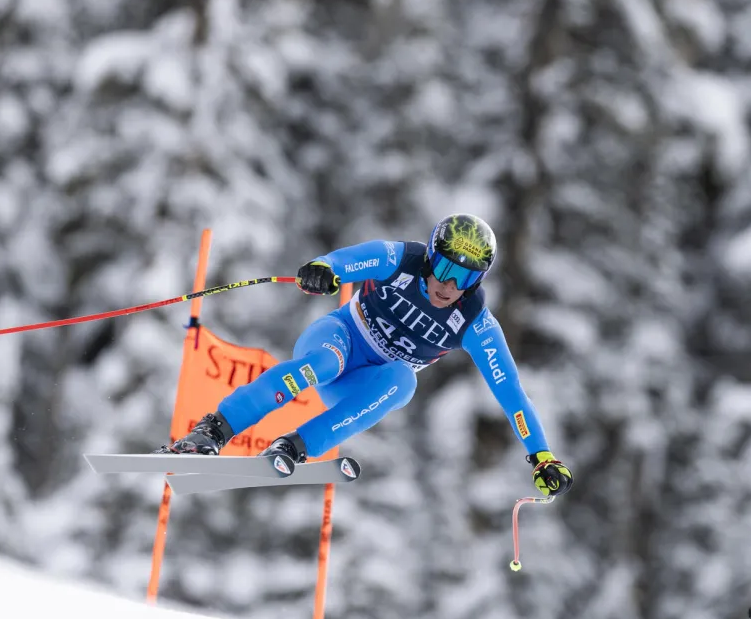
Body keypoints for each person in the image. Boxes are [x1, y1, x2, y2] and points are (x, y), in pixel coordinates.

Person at [156, 213, 573, 498]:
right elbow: (351, 259)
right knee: (323, 363)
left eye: (464, 277)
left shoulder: (476, 324)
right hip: (338, 339)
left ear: (478, 280)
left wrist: (542, 457)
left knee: (404, 381)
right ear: (430, 256)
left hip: (363, 385)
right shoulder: (402, 260)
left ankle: (292, 448)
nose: (449, 285)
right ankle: (212, 431)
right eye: (445, 268)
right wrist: (324, 268)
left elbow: (512, 395)